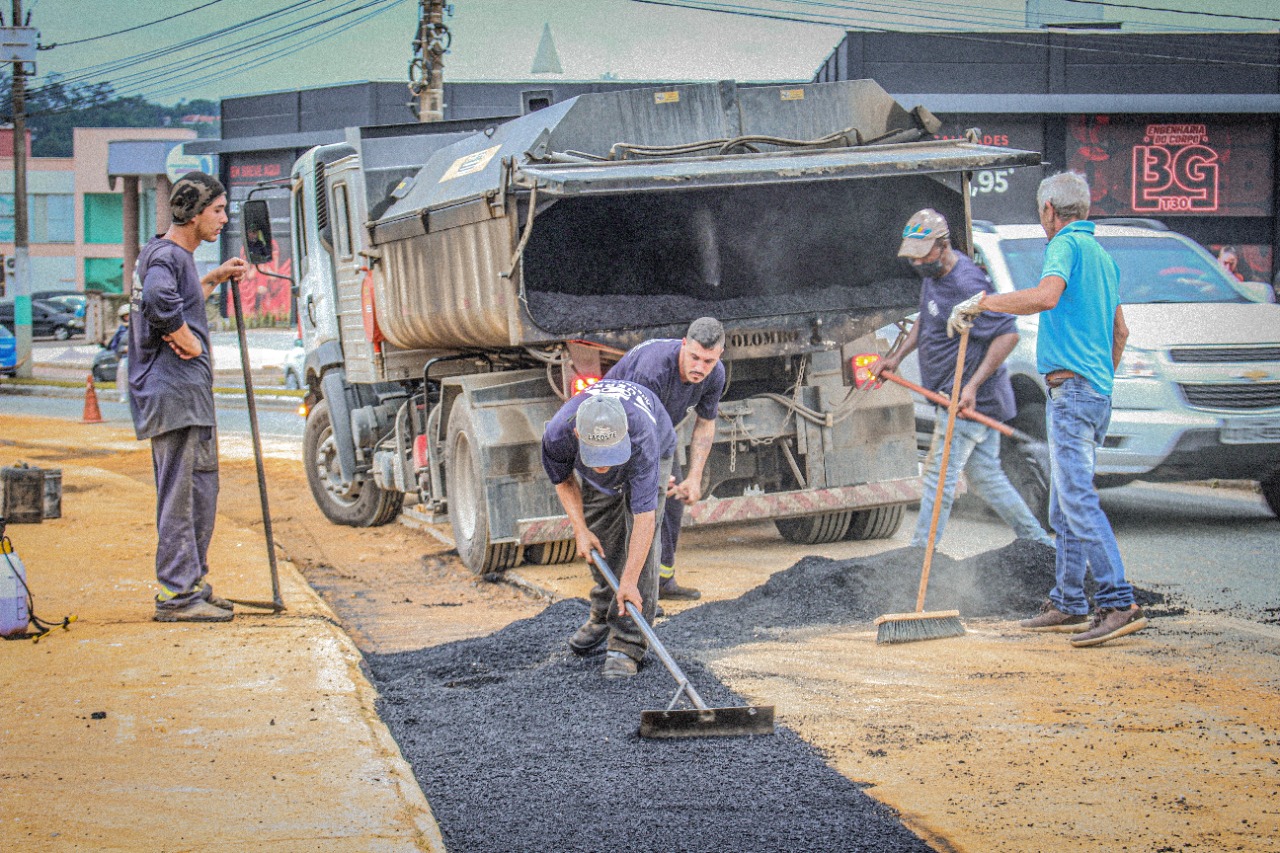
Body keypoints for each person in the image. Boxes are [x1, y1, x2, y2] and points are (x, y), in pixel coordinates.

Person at [950, 171, 1147, 648]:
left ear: (1048, 212)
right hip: (1094, 393)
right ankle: (1069, 600)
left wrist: (983, 303)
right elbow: (1120, 332)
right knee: (1063, 502)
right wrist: (1100, 379)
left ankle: (1117, 600)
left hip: (1073, 392)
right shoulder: (1101, 256)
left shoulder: (1064, 245)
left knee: (1076, 499)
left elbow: (1045, 297)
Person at [879, 209, 1052, 550]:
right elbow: (925, 321)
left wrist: (971, 386)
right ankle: (1038, 543)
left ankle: (919, 553)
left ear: (942, 246)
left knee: (937, 478)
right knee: (986, 476)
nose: (916, 262)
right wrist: (896, 357)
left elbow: (1008, 335)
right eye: (912, 256)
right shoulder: (934, 275)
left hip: (967, 400)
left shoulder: (967, 284)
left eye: (922, 254)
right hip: (953, 395)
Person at [128, 171, 250, 623]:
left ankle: (191, 583)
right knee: (180, 496)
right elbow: (161, 302)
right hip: (173, 395)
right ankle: (176, 596)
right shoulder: (165, 255)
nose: (222, 219)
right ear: (194, 212)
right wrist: (187, 340)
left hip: (186, 398)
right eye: (217, 210)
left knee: (200, 491)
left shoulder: (176, 257)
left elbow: (178, 296)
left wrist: (214, 278)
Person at [541, 379, 676, 678]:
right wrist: (580, 530)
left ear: (624, 435)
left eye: (609, 457)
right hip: (600, 452)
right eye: (596, 457)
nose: (603, 467)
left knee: (640, 554)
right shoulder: (558, 434)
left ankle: (627, 642)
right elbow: (563, 480)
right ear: (578, 434)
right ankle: (604, 614)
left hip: (655, 443)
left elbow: (644, 520)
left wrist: (629, 581)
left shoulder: (642, 438)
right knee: (600, 532)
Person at [602, 317, 726, 600]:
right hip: (615, 430)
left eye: (707, 361)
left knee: (671, 505)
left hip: (657, 431)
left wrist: (694, 478)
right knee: (642, 509)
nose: (699, 367)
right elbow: (634, 428)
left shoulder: (716, 374)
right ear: (683, 345)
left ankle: (662, 583)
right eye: (693, 357)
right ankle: (634, 593)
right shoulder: (653, 369)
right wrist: (654, 473)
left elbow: (705, 424)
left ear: (719, 356)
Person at [107, 304, 130, 403]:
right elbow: (114, 345)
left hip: (141, 357)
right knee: (122, 369)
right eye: (125, 316)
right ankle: (124, 394)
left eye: (129, 315)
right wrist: (123, 349)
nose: (128, 318)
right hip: (126, 357)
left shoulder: (140, 327)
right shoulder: (121, 330)